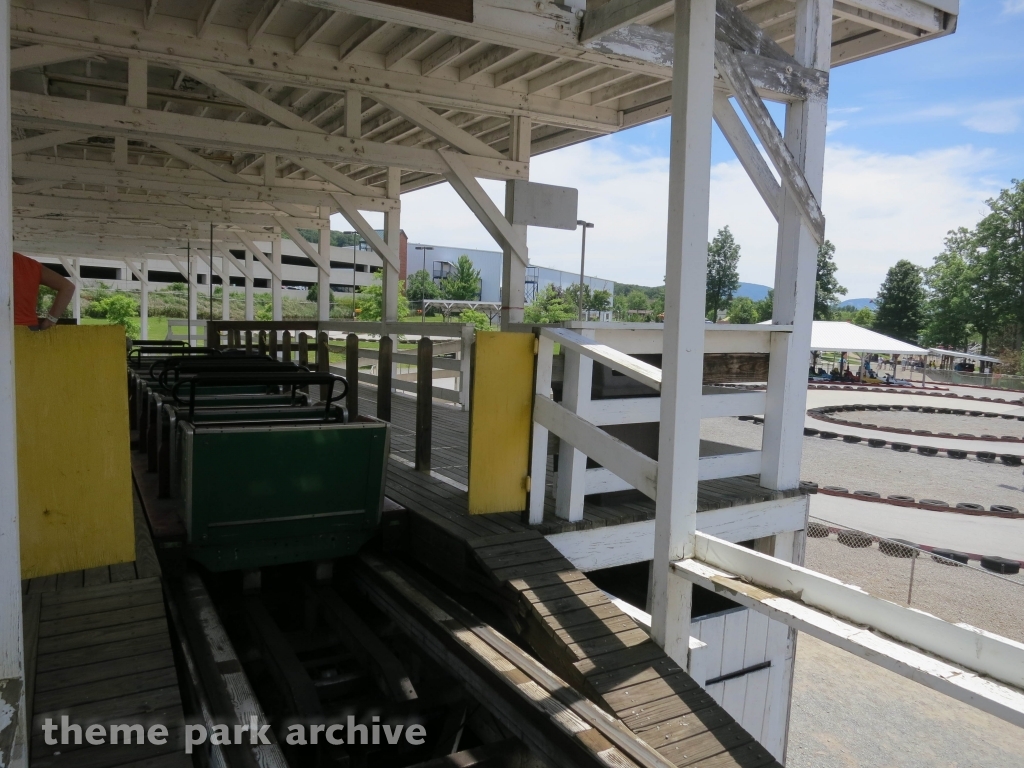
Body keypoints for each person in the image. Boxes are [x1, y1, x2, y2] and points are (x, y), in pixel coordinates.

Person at [14, 252, 75, 329]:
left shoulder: (25, 264)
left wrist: (50, 320)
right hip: (28, 328)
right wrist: (50, 321)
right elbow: (68, 287)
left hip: (12, 326)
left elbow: (68, 287)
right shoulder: (28, 264)